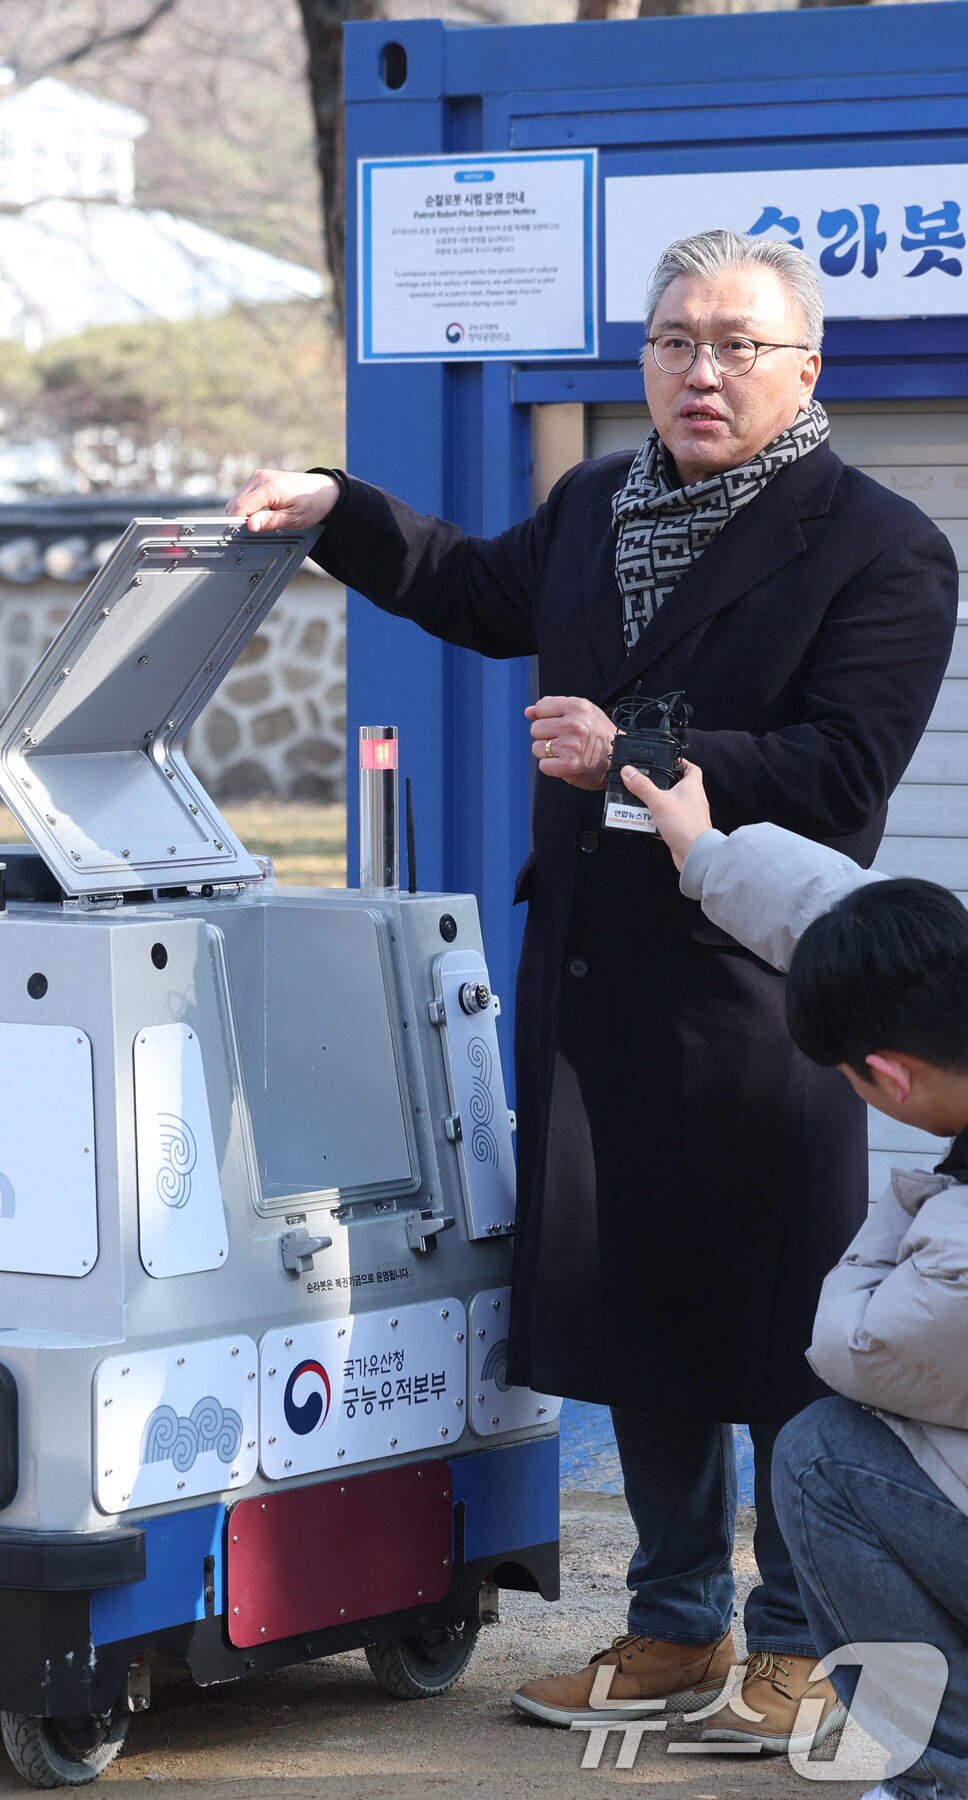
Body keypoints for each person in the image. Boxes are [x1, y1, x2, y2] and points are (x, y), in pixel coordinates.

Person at [228, 227, 958, 1749]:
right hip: (589, 976)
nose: (704, 369)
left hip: (759, 991)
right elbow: (471, 587)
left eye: (740, 343)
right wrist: (335, 509)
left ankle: (796, 1645)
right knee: (636, 1313)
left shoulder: (882, 542)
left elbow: (843, 775)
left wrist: (632, 747)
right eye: (677, 338)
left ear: (807, 365)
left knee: (777, 1327)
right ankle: (673, 1626)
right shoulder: (592, 502)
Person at [625, 756, 968, 1800]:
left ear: (888, 1080)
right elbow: (861, 917)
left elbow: (852, 1348)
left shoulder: (954, 1250)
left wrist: (897, 1204)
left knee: (823, 1453)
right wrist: (706, 851)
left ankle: (938, 1776)